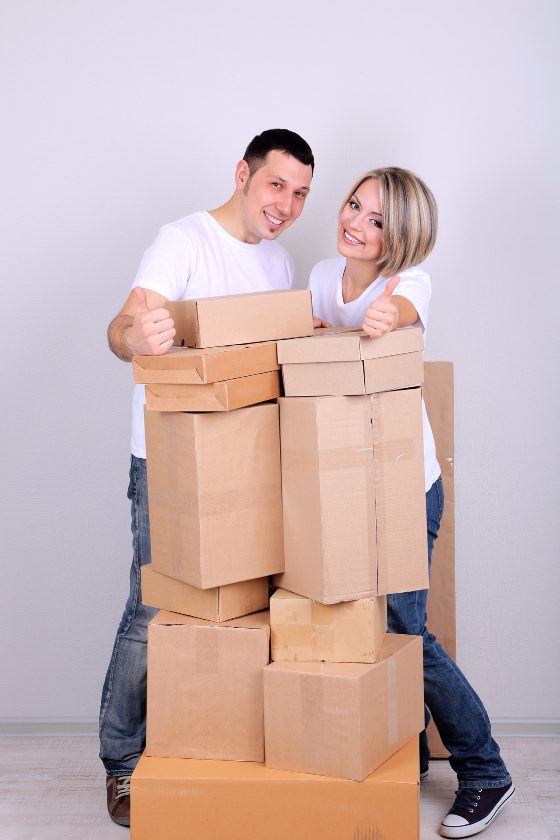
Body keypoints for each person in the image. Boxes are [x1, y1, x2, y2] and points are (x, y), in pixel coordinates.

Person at [102, 128, 314, 826]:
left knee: (238, 608)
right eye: (276, 184)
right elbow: (123, 325)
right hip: (168, 461)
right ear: (243, 175)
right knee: (154, 606)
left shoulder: (281, 263)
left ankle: (210, 743)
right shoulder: (183, 240)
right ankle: (123, 763)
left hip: (247, 462)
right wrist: (138, 336)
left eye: (300, 193)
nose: (285, 203)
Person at [308, 167, 515, 839]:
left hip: (402, 487)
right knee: (354, 625)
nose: (356, 223)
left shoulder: (407, 285)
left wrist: (380, 317)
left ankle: (485, 770)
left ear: (401, 239)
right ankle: (412, 751)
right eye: (354, 205)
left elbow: (397, 316)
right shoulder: (317, 276)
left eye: (376, 221)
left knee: (403, 628)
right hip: (341, 487)